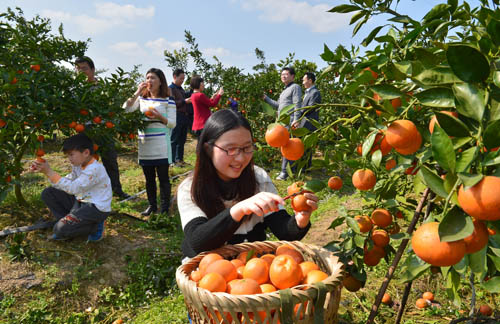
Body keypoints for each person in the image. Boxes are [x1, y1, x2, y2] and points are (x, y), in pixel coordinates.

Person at [177, 109, 318, 259]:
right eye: (230, 149)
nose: (240, 158)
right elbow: (197, 241)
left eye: (247, 148)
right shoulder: (191, 188)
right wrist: (239, 210)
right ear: (208, 149)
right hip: (207, 273)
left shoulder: (258, 178)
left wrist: (300, 220)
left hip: (252, 269)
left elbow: (284, 231)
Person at [32, 133, 111, 241]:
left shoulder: (94, 169)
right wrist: (46, 172)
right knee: (48, 193)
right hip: (81, 201)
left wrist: (50, 172)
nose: (69, 158)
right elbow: (70, 180)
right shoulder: (78, 165)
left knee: (59, 229)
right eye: (67, 155)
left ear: (86, 152)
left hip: (95, 208)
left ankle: (95, 227)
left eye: (71, 154)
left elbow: (73, 188)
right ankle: (69, 224)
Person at [74, 56, 131, 200]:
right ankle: (87, 193)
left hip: (103, 128)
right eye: (78, 69)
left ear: (92, 70)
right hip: (84, 130)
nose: (81, 72)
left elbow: (111, 108)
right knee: (86, 162)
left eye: (84, 68)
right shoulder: (75, 91)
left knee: (110, 159)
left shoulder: (103, 88)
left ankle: (116, 190)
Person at [123, 68, 176, 216]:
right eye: (147, 78)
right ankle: (152, 205)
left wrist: (160, 117)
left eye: (153, 78)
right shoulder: (142, 99)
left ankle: (165, 208)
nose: (149, 81)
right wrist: (137, 92)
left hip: (161, 144)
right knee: (149, 178)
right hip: (145, 143)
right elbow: (126, 109)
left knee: (163, 178)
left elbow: (172, 123)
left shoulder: (167, 100)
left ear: (160, 81)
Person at [263, 67, 302, 180]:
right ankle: (287, 171)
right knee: (285, 147)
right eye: (282, 74)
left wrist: (296, 119)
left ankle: (285, 173)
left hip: (289, 122)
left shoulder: (295, 87)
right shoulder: (284, 90)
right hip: (282, 123)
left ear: (292, 76)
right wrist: (266, 99)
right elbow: (278, 106)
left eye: (286, 74)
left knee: (287, 147)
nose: (283, 76)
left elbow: (297, 104)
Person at [292, 72, 322, 168]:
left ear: (310, 80)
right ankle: (301, 166)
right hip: (303, 123)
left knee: (307, 146)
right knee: (302, 146)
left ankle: (306, 167)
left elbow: (310, 107)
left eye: (304, 80)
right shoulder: (308, 92)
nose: (303, 82)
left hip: (309, 124)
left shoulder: (315, 93)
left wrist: (297, 113)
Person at [169, 69, 191, 166]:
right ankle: (172, 160)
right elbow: (171, 103)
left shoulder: (180, 89)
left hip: (183, 116)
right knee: (174, 139)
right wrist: (184, 101)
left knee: (182, 139)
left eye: (183, 78)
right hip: (176, 115)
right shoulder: (170, 89)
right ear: (174, 76)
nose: (182, 80)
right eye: (181, 78)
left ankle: (180, 160)